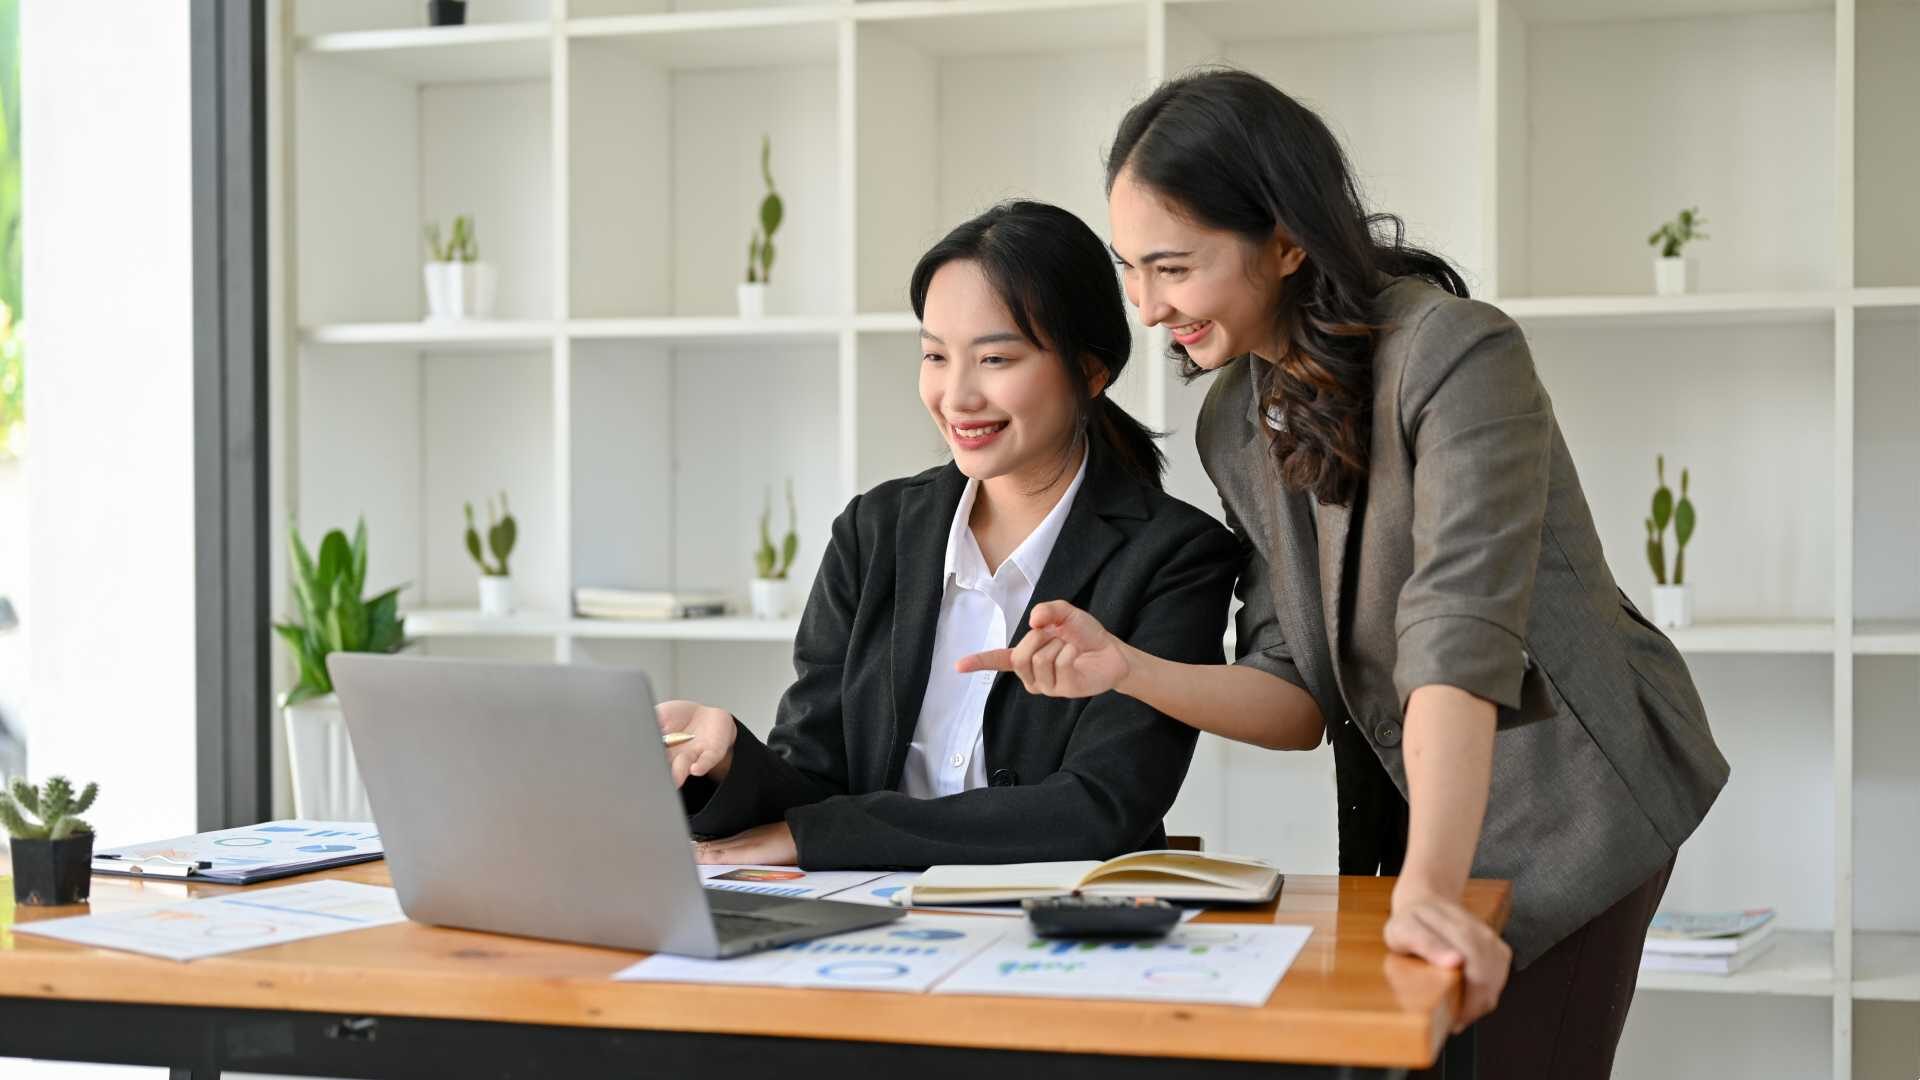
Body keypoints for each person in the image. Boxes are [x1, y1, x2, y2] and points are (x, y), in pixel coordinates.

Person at [960, 70, 1729, 1079]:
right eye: (1130, 270)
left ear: (1287, 240)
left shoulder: (1457, 353)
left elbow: (1458, 635)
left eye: (1173, 268)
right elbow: (1295, 697)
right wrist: (1127, 669)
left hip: (1572, 802)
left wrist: (1432, 885)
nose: (1146, 308)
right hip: (1424, 811)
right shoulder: (1233, 420)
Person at [657, 200, 1239, 870]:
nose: (956, 395)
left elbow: (1099, 808)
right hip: (869, 918)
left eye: (994, 358)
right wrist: (726, 759)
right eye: (935, 355)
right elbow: (814, 778)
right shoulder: (873, 532)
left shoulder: (1174, 556)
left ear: (1089, 370)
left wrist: (826, 836)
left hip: (1061, 919)